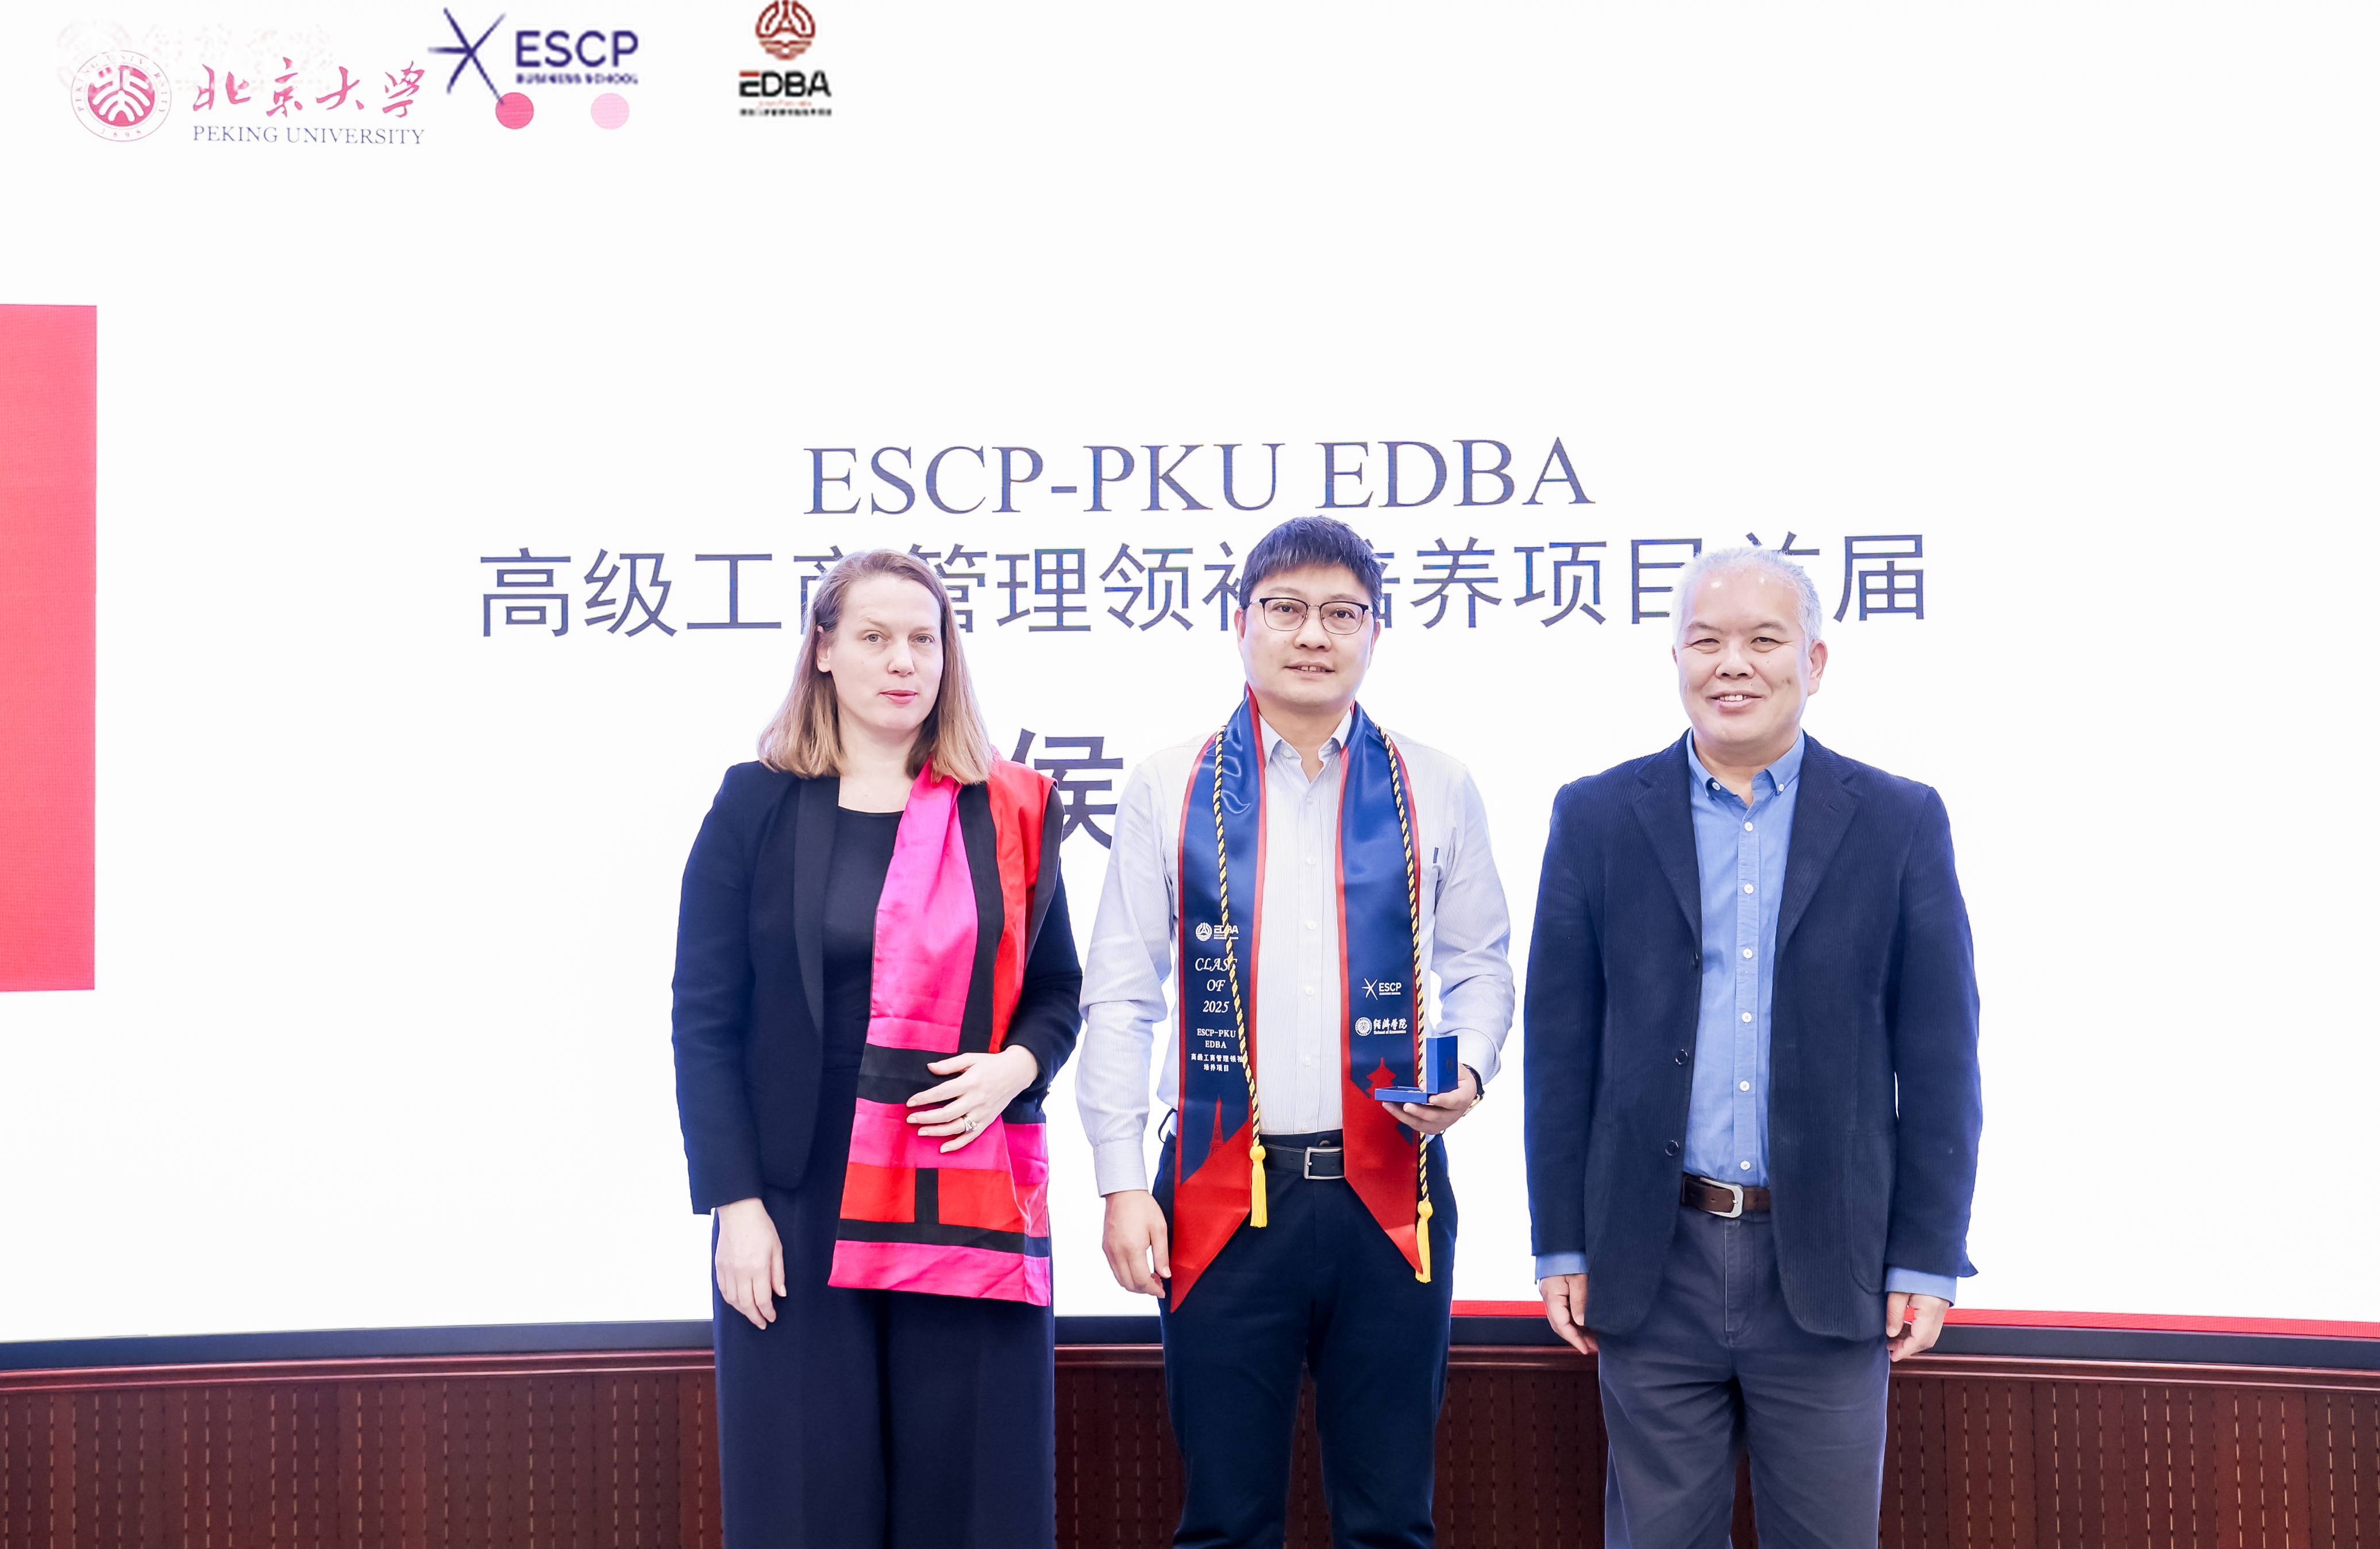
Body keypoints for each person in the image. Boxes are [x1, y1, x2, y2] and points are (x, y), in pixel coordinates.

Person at [1523, 545, 1982, 1548]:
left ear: (1813, 661)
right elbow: (1560, 1050)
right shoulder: (1594, 815)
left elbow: (1940, 1057)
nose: (1731, 663)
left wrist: (1926, 1252)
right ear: (1675, 659)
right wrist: (1560, 1241)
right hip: (1652, 1257)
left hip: (1826, 1260)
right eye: (1706, 640)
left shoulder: (1898, 819)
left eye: (1763, 640)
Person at [1077, 514, 1516, 1549]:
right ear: (1240, 623)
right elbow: (1123, 993)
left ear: (1374, 632)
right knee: (1225, 1521)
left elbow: (1481, 964)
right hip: (1218, 1191)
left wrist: (1470, 1069)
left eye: (1340, 613)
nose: (1312, 634)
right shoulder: (1170, 782)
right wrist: (1121, 1182)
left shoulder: (1434, 783)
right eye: (1285, 609)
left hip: (1393, 1187)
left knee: (1390, 1520)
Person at [669, 548, 1083, 1549]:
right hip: (797, 1192)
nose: (903, 660)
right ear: (822, 649)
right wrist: (735, 1206)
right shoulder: (755, 804)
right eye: (874, 636)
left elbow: (1058, 991)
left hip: (963, 1176)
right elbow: (704, 1018)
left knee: (974, 1498)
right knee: (806, 1496)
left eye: (922, 639)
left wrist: (1014, 1068)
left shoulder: (1008, 806)